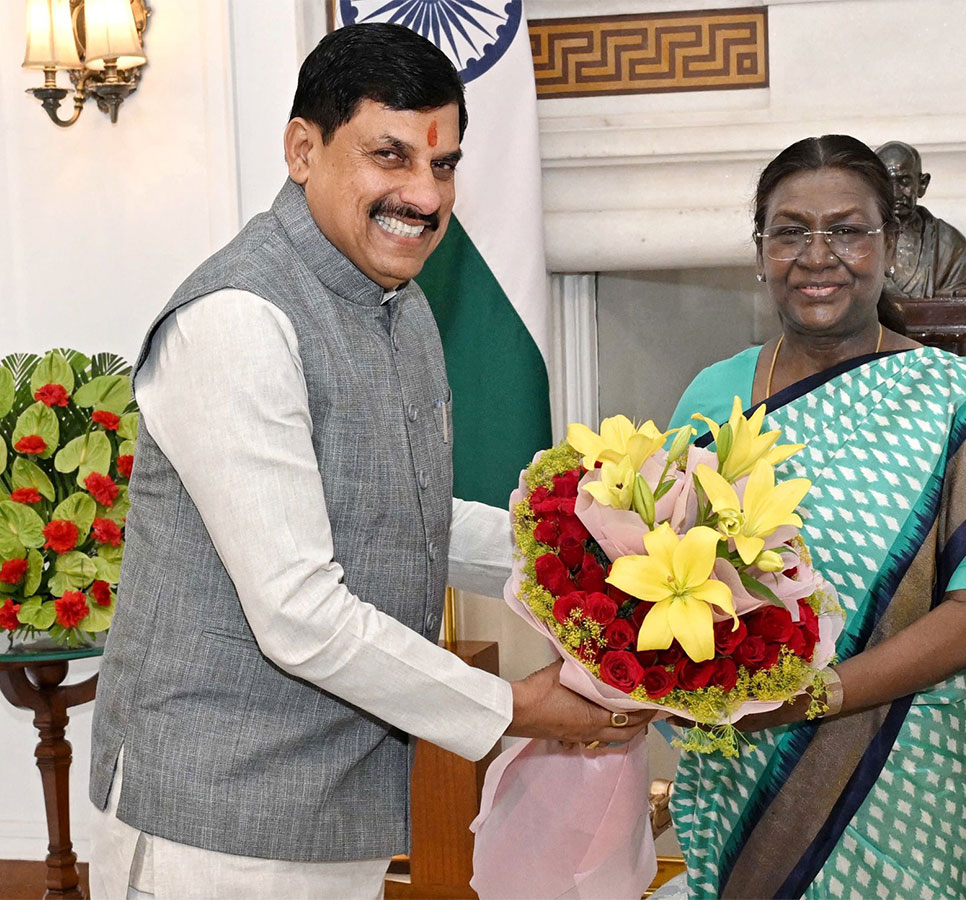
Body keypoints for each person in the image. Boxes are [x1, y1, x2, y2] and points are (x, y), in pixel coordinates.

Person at [87, 24, 650, 900]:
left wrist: (597, 555)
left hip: (335, 808)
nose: (424, 195)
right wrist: (516, 708)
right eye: (390, 156)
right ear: (302, 150)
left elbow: (406, 519)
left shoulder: (400, 305)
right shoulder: (237, 319)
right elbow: (300, 614)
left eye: (444, 165)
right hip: (215, 822)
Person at [661, 135, 966, 899]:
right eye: (790, 231)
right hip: (748, 777)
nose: (817, 256)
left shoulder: (960, 404)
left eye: (847, 230)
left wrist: (812, 697)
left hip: (911, 769)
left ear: (890, 246)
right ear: (760, 252)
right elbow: (665, 575)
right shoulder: (712, 394)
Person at [876, 140, 966, 299]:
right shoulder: (856, 237)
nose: (896, 193)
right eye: (887, 183)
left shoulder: (948, 244)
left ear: (922, 184)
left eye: (904, 182)